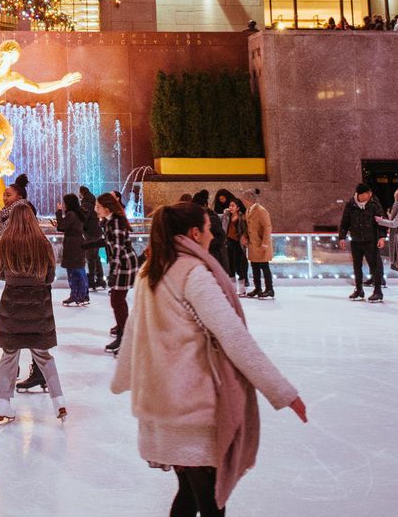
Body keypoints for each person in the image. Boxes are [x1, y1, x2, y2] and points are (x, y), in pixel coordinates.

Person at [111, 202, 306, 515]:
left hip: (162, 403)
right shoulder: (194, 274)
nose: (213, 237)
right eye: (208, 229)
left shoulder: (151, 270)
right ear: (194, 233)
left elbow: (135, 330)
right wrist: (282, 392)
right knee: (210, 503)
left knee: (189, 494)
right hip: (192, 408)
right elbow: (234, 337)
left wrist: (124, 379)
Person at [0, 203, 67, 424]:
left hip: (12, 305)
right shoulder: (42, 242)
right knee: (44, 355)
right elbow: (50, 275)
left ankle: (3, 404)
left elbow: (0, 273)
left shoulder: (5, 242)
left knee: (9, 355)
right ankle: (59, 402)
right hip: (38, 304)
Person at [93, 192, 138, 355]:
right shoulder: (109, 221)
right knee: (117, 300)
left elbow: (118, 248)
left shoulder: (115, 222)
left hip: (124, 264)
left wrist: (113, 271)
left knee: (117, 300)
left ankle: (125, 337)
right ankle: (123, 332)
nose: (95, 210)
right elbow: (110, 243)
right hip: (122, 263)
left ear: (106, 208)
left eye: (98, 207)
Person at [338, 183, 386, 302]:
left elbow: (381, 221)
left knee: (374, 266)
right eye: (367, 193)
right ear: (360, 194)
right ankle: (359, 290)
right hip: (356, 240)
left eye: (370, 193)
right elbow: (345, 222)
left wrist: (381, 237)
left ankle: (378, 291)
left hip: (371, 240)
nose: (370, 195)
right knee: (357, 266)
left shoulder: (374, 204)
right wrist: (342, 237)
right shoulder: (351, 205)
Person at [55, 193, 89, 307]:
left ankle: (76, 295)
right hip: (78, 243)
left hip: (72, 245)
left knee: (73, 271)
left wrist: (59, 212)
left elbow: (61, 226)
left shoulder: (71, 214)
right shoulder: (79, 213)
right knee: (79, 269)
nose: (63, 205)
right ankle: (83, 295)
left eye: (64, 203)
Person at [241, 188, 274, 298]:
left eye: (244, 199)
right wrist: (245, 236)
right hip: (253, 244)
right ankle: (258, 288)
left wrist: (265, 243)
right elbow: (248, 226)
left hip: (260, 243)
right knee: (255, 266)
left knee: (264, 266)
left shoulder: (261, 210)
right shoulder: (248, 210)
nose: (243, 201)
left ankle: (269, 289)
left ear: (249, 199)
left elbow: (267, 227)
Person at [193, 189, 229, 273]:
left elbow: (221, 237)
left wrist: (205, 243)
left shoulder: (211, 217)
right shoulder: (199, 217)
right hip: (209, 257)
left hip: (215, 258)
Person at [79, 184, 106, 290]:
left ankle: (92, 281)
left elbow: (83, 218)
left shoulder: (86, 204)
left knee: (90, 258)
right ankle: (100, 279)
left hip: (91, 234)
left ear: (82, 193)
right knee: (96, 257)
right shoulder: (92, 202)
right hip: (96, 232)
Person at [223, 196, 250, 297]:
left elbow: (245, 231)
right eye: (230, 205)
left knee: (239, 266)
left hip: (238, 244)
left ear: (238, 208)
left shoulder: (242, 218)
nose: (230, 207)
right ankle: (232, 289)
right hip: (229, 242)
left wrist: (244, 238)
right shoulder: (227, 216)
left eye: (233, 206)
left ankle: (242, 290)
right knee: (230, 266)